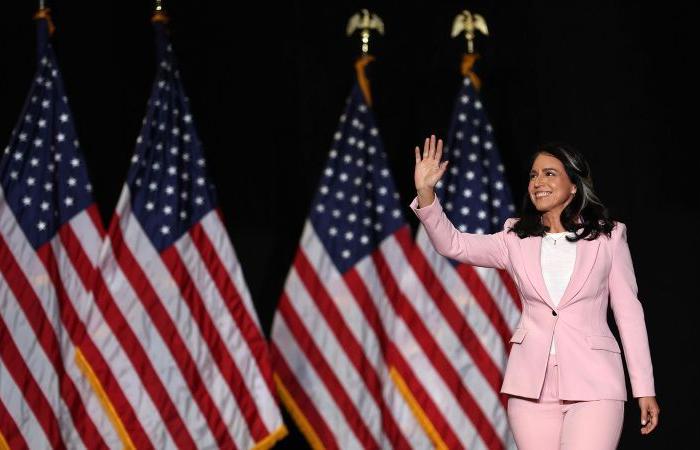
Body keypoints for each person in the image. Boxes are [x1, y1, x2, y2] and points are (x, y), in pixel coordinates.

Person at [410, 136, 660, 449]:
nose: (538, 181)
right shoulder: (514, 238)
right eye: (533, 175)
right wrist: (426, 192)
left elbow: (628, 313)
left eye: (549, 173)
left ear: (574, 185)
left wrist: (644, 388)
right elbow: (453, 243)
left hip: (595, 384)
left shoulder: (608, 237)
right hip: (530, 389)